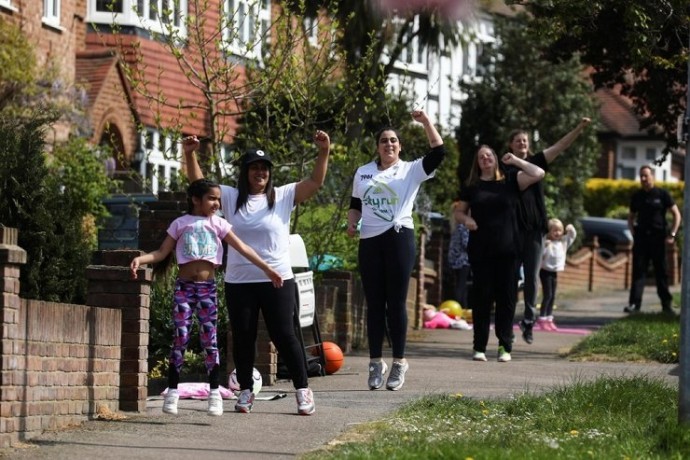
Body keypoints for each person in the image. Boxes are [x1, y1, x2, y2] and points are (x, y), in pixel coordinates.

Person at [183, 130, 330, 415]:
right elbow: (199, 185)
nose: (259, 172)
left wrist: (323, 151)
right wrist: (190, 154)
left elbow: (315, 182)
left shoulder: (283, 195)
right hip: (240, 281)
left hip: (277, 279)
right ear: (246, 172)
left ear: (269, 173)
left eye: (264, 168)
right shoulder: (230, 196)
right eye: (254, 168)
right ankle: (246, 391)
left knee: (284, 334)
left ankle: (303, 390)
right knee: (243, 335)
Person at [130, 179, 283, 417]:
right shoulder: (180, 223)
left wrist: (268, 268)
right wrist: (141, 259)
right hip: (184, 288)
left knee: (209, 340)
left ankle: (214, 394)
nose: (216, 203)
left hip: (207, 289)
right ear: (195, 199)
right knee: (180, 338)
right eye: (211, 198)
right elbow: (161, 253)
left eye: (218, 199)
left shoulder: (219, 224)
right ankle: (172, 393)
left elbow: (243, 247)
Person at [347, 110, 445, 391]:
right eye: (383, 141)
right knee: (374, 304)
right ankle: (376, 362)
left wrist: (426, 122)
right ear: (377, 146)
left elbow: (438, 152)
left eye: (393, 141)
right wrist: (352, 223)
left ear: (400, 146)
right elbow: (355, 204)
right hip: (370, 241)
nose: (388, 144)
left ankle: (399, 362)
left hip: (399, 237)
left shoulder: (410, 170)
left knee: (396, 303)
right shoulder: (363, 172)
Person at [506, 118, 592, 345]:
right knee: (511, 277)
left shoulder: (536, 161)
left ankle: (528, 319)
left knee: (533, 277)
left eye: (525, 140)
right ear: (511, 145)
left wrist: (579, 127)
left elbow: (560, 146)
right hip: (513, 229)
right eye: (517, 140)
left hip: (535, 230)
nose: (522, 143)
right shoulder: (506, 167)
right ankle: (507, 321)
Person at [456, 145, 545, 363]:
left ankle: (505, 346)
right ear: (477, 163)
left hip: (509, 251)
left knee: (506, 301)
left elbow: (538, 173)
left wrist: (515, 160)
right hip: (481, 251)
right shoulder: (473, 186)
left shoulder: (511, 181)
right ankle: (479, 347)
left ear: (496, 159)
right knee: (482, 300)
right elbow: (458, 211)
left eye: (489, 155)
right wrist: (466, 220)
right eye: (481, 156)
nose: (485, 158)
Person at [624, 164, 681, 314]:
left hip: (658, 238)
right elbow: (631, 217)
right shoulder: (637, 196)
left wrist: (672, 234)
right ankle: (634, 304)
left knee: (661, 271)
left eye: (646, 175)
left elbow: (677, 214)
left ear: (653, 177)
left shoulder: (662, 194)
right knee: (638, 271)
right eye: (641, 176)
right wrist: (633, 233)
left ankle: (666, 305)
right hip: (642, 238)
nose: (643, 179)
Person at [538, 218, 577, 331]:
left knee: (553, 296)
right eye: (554, 230)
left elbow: (572, 236)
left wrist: (570, 228)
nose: (557, 233)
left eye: (559, 230)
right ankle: (542, 319)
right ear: (549, 231)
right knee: (548, 295)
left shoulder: (563, 243)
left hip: (554, 272)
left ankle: (549, 319)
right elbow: (540, 254)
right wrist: (545, 246)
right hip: (544, 271)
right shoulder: (546, 242)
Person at [448, 200, 471, 308]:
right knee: (461, 285)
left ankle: (461, 306)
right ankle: (461, 307)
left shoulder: (455, 227)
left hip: (454, 260)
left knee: (460, 284)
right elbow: (466, 243)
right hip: (463, 261)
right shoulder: (463, 227)